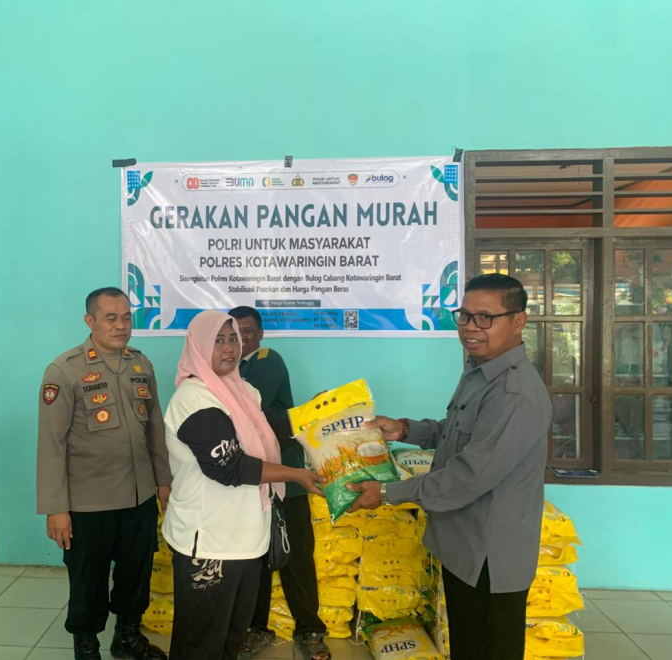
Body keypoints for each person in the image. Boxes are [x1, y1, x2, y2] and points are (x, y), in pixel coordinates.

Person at [346, 273, 552, 660]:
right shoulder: (479, 372)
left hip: (489, 556)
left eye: (485, 317)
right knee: (467, 644)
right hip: (463, 543)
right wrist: (404, 429)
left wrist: (387, 493)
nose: (471, 327)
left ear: (518, 321)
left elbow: (468, 476)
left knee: (490, 648)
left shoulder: (515, 394)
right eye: (465, 316)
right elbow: (455, 432)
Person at [162, 311, 325, 660]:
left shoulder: (244, 390)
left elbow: (275, 430)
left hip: (247, 538)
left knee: (232, 636)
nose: (229, 348)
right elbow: (230, 467)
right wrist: (296, 475)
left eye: (233, 338)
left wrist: (317, 411)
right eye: (218, 340)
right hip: (209, 541)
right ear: (198, 347)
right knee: (201, 642)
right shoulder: (194, 399)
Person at [36, 287, 171, 660]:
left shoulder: (140, 364)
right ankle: (86, 645)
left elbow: (154, 428)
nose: (121, 325)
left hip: (139, 496)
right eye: (111, 318)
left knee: (135, 574)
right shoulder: (64, 370)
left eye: (126, 317)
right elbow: (51, 444)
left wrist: (163, 480)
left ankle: (126, 637)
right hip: (87, 502)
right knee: (88, 580)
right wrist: (55, 508)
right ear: (90, 321)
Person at [228, 307, 329, 660]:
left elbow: (244, 407)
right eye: (234, 332)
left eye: (248, 331)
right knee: (254, 558)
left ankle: (310, 630)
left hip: (288, 478)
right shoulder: (227, 370)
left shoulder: (266, 361)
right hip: (251, 479)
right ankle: (256, 629)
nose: (241, 339)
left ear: (260, 335)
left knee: (296, 556)